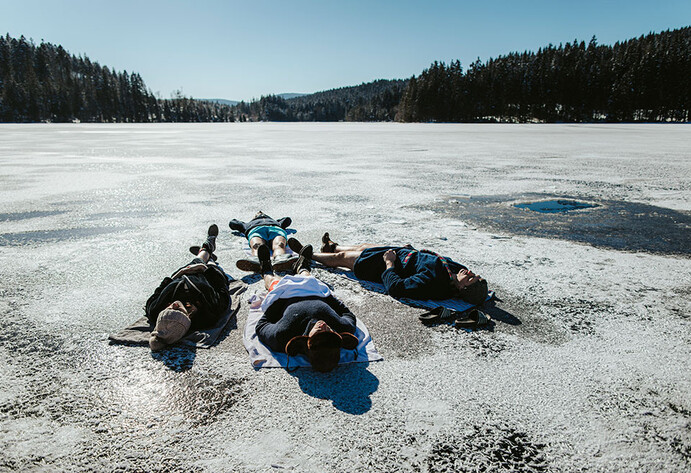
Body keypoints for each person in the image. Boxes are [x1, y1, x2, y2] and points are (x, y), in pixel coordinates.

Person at [287, 233, 489, 305]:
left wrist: (389, 263)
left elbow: (397, 288)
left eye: (470, 279)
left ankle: (308, 255)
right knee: (362, 247)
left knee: (343, 259)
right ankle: (332, 246)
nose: (469, 273)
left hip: (381, 264)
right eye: (474, 275)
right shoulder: (458, 270)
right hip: (403, 253)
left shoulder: (434, 284)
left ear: (462, 290)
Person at [254, 241, 358, 372]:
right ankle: (302, 267)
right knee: (308, 277)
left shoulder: (283, 335)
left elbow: (261, 326)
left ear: (308, 341)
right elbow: (347, 314)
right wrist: (329, 298)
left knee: (275, 283)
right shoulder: (344, 328)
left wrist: (279, 301)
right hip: (314, 292)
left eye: (320, 332)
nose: (324, 326)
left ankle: (266, 270)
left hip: (285, 296)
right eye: (329, 331)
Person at [146, 224, 231, 351]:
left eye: (167, 308)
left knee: (199, 259)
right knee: (212, 264)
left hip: (185, 273)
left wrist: (178, 274)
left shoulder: (154, 309)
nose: (173, 305)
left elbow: (160, 289)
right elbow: (222, 289)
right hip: (210, 276)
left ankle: (207, 246)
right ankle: (210, 258)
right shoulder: (210, 313)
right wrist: (206, 270)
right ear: (188, 317)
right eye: (178, 310)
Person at [228, 211, 297, 272]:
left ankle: (280, 260)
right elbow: (233, 223)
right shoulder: (248, 224)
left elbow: (287, 219)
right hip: (256, 230)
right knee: (257, 245)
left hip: (275, 228)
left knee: (279, 244)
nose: (260, 212)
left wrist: (272, 219)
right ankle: (256, 261)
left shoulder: (276, 222)